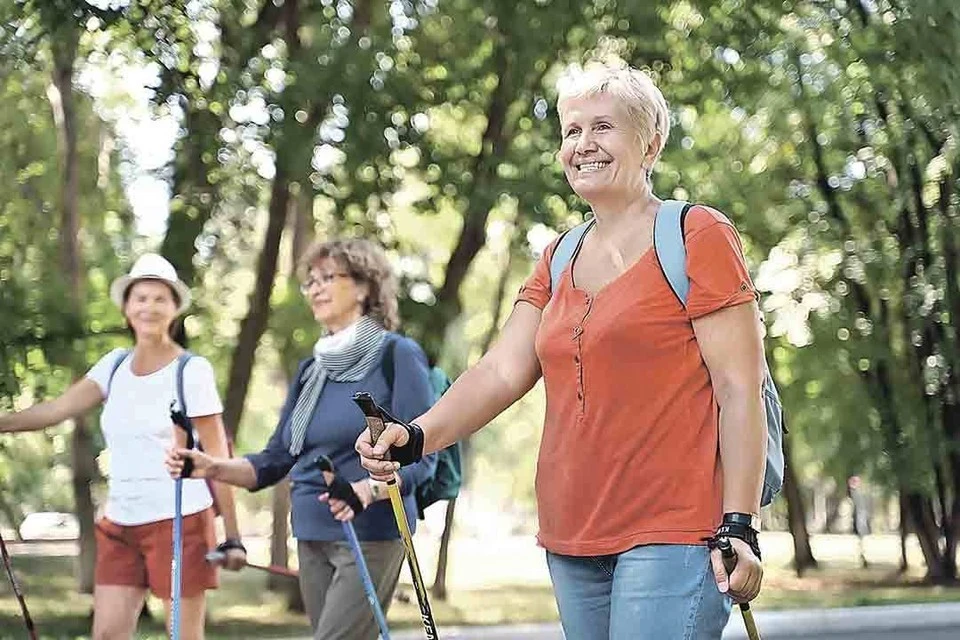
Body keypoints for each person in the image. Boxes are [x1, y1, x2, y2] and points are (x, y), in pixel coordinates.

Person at [357, 60, 768, 639]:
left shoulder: (697, 235)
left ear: (650, 145)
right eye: (571, 131)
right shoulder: (559, 256)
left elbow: (737, 388)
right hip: (572, 530)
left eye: (603, 127)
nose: (583, 144)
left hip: (676, 528)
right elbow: (501, 370)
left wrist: (740, 524)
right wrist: (416, 436)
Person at [166, 238, 438, 640]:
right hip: (311, 531)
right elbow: (276, 459)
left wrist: (365, 490)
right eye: (310, 282)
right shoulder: (312, 369)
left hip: (372, 532)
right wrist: (213, 467)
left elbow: (425, 456)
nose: (316, 289)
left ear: (364, 287)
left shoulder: (396, 355)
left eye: (328, 278)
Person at [0, 253, 245, 640]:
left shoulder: (191, 371)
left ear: (175, 309)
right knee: (106, 636)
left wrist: (233, 536)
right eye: (140, 298)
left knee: (184, 637)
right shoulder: (113, 366)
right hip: (120, 523)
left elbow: (220, 460)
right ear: (127, 307)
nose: (149, 306)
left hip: (179, 521)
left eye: (160, 298)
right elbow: (56, 409)